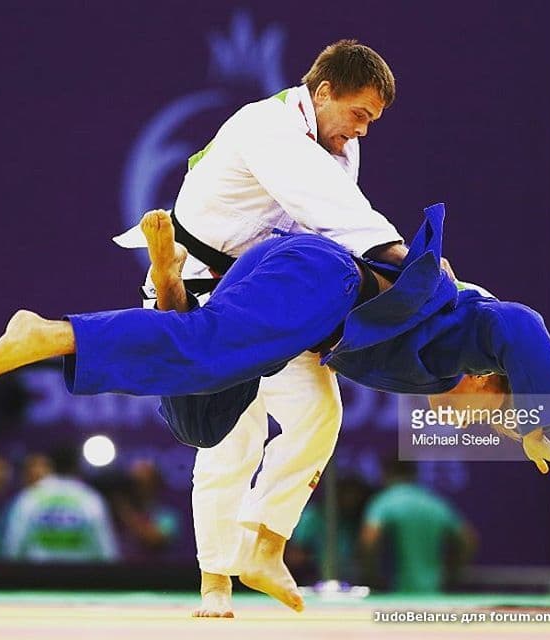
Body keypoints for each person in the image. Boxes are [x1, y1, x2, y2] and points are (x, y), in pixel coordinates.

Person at [0, 204, 550, 581]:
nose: (471, 426)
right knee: (206, 348)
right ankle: (51, 334)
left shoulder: (444, 365)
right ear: (488, 377)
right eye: (490, 415)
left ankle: (171, 292)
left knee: (201, 422)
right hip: (321, 276)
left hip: (299, 311)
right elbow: (520, 323)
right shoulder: (465, 335)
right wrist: (535, 426)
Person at [114, 39, 405, 616]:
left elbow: (328, 235)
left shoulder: (337, 147)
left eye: (371, 121)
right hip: (199, 292)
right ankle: (215, 581)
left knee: (321, 411)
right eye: (358, 114)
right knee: (231, 437)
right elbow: (343, 216)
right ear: (324, 92)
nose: (362, 130)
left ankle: (265, 545)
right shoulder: (266, 126)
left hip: (266, 301)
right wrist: (404, 258)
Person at [360, 460, 477, 593]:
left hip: (395, 594)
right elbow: (468, 540)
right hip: (434, 593)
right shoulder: (434, 503)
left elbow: (368, 540)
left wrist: (372, 575)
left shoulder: (385, 501)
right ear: (414, 474)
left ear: (386, 473)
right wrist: (450, 573)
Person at [1, 446, 119, 562]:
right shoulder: (90, 499)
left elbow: (12, 547)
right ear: (77, 466)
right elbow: (106, 551)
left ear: (51, 464)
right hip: (80, 573)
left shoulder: (29, 498)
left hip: (36, 573)